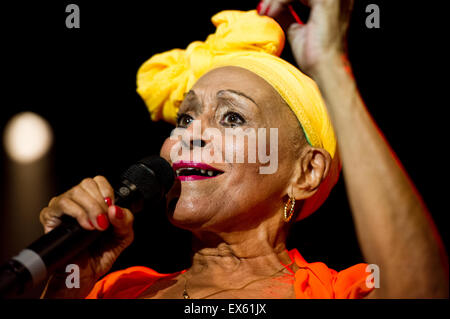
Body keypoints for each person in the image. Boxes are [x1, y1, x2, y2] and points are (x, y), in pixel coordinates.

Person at [40, 1, 448, 299]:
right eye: (184, 118)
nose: (188, 135)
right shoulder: (114, 291)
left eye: (232, 118)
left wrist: (328, 65)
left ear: (305, 174)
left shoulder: (337, 292)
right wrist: (64, 283)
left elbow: (421, 287)